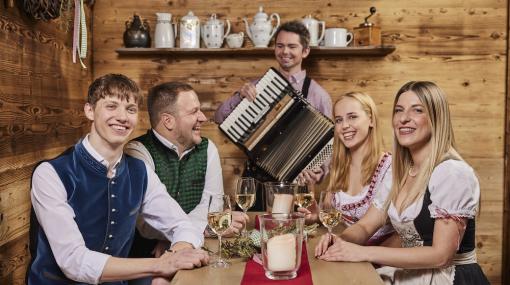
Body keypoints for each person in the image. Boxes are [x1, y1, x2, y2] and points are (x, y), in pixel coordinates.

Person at [27, 74, 208, 285]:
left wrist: (177, 255)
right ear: (90, 111)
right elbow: (74, 262)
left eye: (130, 109)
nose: (123, 117)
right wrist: (161, 265)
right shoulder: (50, 173)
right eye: (111, 106)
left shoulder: (140, 171)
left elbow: (182, 224)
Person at [315, 81, 489, 284]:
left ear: (436, 117)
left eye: (417, 110)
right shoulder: (398, 172)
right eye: (399, 110)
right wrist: (340, 241)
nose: (404, 118)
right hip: (410, 274)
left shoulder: (452, 173)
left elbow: (441, 256)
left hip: (448, 278)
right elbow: (366, 225)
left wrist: (363, 252)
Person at [124, 82, 248, 276]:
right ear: (168, 121)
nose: (203, 117)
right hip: (145, 259)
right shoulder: (137, 152)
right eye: (194, 112)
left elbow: (212, 209)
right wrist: (195, 232)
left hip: (191, 249)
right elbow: (145, 223)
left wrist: (178, 240)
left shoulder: (208, 149)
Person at [214, 20, 332, 210]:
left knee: (289, 239)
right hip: (255, 182)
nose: (285, 51)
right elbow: (220, 117)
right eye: (280, 46)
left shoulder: (319, 96)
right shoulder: (257, 86)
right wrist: (239, 96)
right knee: (250, 237)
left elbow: (329, 144)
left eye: (292, 46)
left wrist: (320, 171)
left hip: (295, 187)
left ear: (305, 51)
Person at [298, 92, 395, 246]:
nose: (344, 126)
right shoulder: (338, 166)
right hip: (345, 248)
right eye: (338, 120)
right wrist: (318, 216)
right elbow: (338, 221)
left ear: (371, 120)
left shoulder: (390, 167)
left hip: (379, 258)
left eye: (352, 117)